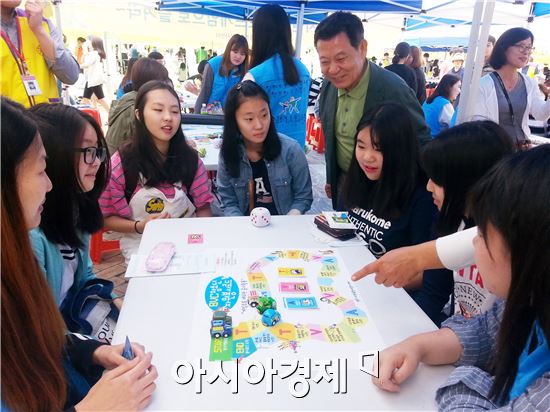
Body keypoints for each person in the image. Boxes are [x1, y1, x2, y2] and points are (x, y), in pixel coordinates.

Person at [1, 96, 157, 411]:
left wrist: (93, 352)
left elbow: (42, 335)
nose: (48, 184)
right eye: (41, 170)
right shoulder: (29, 245)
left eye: (98, 151)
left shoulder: (62, 219)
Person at [373, 145, 550, 411]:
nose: (474, 244)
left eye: (483, 234)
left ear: (528, 249)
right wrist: (417, 346)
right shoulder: (529, 301)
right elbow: (483, 332)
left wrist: (463, 380)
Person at [315, 11, 431, 209]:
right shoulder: (328, 85)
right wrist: (331, 177)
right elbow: (333, 137)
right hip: (346, 185)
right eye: (325, 61)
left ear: (362, 48)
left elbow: (421, 143)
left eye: (341, 58)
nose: (332, 69)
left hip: (386, 192)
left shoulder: (393, 89)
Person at [27, 103, 123, 340]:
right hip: (55, 340)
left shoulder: (75, 209)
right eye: (87, 151)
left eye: (98, 151)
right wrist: (92, 352)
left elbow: (84, 278)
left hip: (72, 324)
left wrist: (115, 301)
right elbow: (38, 328)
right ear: (53, 155)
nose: (97, 161)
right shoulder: (32, 236)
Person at [412, 121, 515, 325]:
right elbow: (434, 292)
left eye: (437, 180)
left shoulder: (510, 240)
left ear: (468, 183)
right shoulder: (449, 220)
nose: (428, 187)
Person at [100, 81, 214, 262]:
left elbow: (203, 208)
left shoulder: (191, 160)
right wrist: (140, 226)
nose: (168, 117)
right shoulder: (122, 163)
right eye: (158, 110)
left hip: (186, 242)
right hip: (141, 243)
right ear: (139, 115)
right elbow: (106, 218)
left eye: (175, 111)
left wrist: (204, 246)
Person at [343, 102, 436, 263]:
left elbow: (422, 266)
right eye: (361, 146)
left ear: (400, 150)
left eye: (379, 149)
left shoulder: (423, 198)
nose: (367, 157)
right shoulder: (358, 179)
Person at [217, 80, 313, 216]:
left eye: (264, 115)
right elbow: (228, 202)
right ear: (234, 121)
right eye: (249, 119)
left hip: (285, 223)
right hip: (244, 225)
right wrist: (243, 226)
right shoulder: (228, 153)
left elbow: (303, 197)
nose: (259, 125)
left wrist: (289, 220)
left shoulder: (291, 150)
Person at [244, 4, 310, 148]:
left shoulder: (255, 76)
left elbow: (245, 121)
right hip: (297, 150)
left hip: (266, 152)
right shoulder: (304, 71)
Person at [474, 28, 550, 148]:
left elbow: (540, 114)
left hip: (523, 151)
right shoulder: (484, 85)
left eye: (529, 47)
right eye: (521, 46)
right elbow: (479, 124)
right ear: (504, 48)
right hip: (495, 151)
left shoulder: (530, 83)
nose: (526, 52)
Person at [1, 0, 79, 107]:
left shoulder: (41, 22)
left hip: (47, 115)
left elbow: (70, 76)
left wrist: (39, 30)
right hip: (9, 116)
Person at [106, 57, 169, 154]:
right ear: (150, 82)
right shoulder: (138, 108)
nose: (165, 85)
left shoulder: (129, 98)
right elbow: (150, 147)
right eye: (162, 81)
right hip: (122, 160)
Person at [194, 34, 248, 113]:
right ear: (228, 50)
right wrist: (196, 116)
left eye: (242, 54)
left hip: (230, 116)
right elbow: (204, 93)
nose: (238, 56)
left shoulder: (244, 73)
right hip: (209, 115)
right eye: (235, 52)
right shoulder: (213, 65)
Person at [81, 35, 110, 113]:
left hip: (94, 81)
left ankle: (111, 114)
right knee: (86, 99)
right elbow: (85, 61)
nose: (87, 42)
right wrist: (85, 51)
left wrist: (77, 66)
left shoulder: (94, 53)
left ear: (94, 43)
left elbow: (87, 64)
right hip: (91, 81)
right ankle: (91, 114)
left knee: (99, 100)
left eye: (89, 41)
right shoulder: (93, 53)